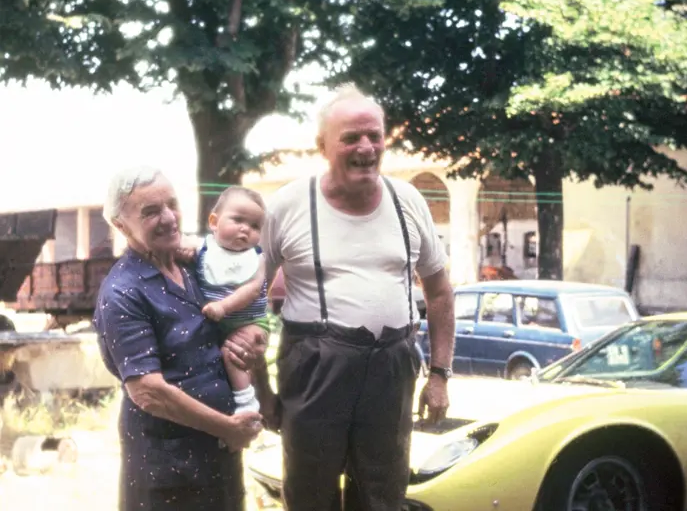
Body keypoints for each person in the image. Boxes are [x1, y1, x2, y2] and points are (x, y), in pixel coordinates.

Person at [261, 83, 457, 511]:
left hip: (391, 369)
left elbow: (440, 292)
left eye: (375, 136)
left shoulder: (408, 200)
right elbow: (250, 295)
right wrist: (259, 390)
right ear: (323, 146)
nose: (366, 148)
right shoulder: (288, 206)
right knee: (311, 495)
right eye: (351, 138)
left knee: (383, 494)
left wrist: (439, 374)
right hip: (313, 371)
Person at [93, 166, 269, 511]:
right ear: (120, 225)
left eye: (172, 204)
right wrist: (228, 428)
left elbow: (245, 311)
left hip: (218, 455)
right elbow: (148, 393)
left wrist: (255, 338)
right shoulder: (123, 292)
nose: (169, 218)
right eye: (151, 211)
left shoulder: (193, 266)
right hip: (168, 466)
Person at [178, 185, 271, 416]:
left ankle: (246, 402)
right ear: (213, 222)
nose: (245, 229)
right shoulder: (204, 248)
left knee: (234, 353)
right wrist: (183, 250)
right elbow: (180, 244)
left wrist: (223, 307)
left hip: (249, 322)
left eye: (254, 226)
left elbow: (251, 290)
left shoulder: (256, 258)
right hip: (216, 323)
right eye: (238, 220)